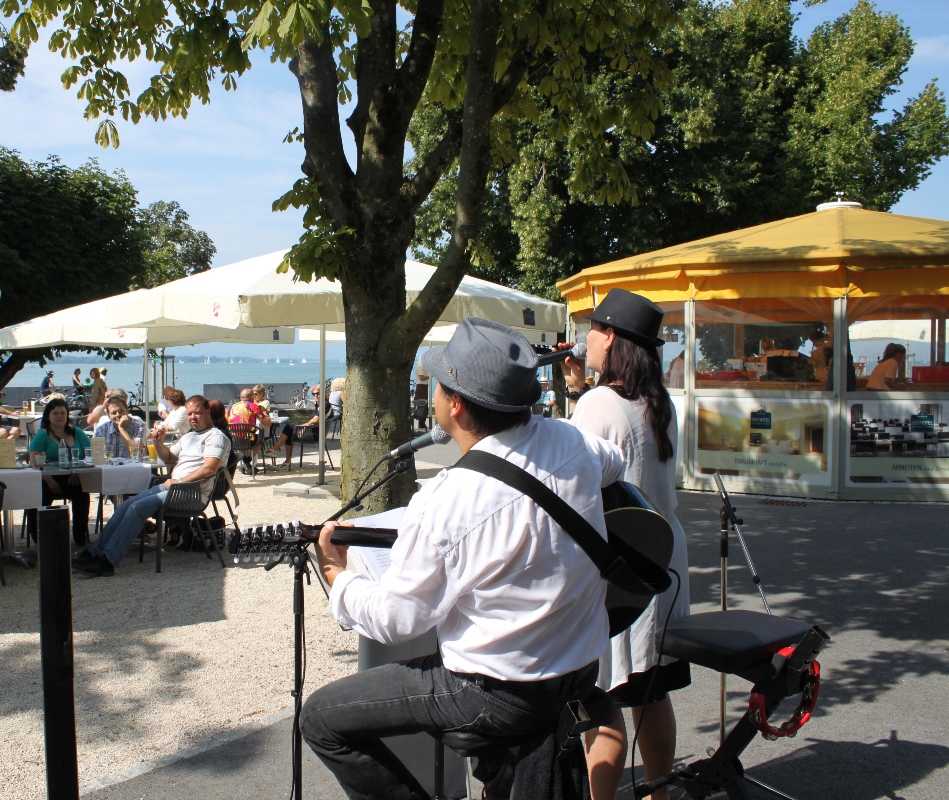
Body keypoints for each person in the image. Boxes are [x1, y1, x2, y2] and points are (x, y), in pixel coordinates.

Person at [301, 318, 626, 800]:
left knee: (320, 718)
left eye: (436, 382)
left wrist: (338, 576)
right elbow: (615, 463)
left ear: (453, 404)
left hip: (500, 693)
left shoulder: (449, 498)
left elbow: (396, 621)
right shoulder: (571, 440)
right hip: (577, 669)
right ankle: (501, 776)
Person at [559, 289, 691, 800]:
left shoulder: (600, 402)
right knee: (651, 692)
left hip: (619, 558)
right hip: (663, 550)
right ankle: (660, 793)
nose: (586, 339)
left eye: (593, 329)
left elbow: (574, 474)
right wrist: (579, 392)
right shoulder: (660, 401)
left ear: (611, 336)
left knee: (604, 700)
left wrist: (580, 396)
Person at [72, 395, 231, 577]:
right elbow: (168, 457)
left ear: (208, 412)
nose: (192, 417)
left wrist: (180, 481)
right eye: (189, 414)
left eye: (197, 413)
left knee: (137, 509)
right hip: (172, 488)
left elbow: (210, 468)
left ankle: (108, 561)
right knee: (125, 505)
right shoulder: (190, 436)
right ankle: (95, 553)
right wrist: (158, 443)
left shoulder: (216, 437)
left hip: (191, 493)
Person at [26, 397, 92, 546]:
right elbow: (33, 461)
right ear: (48, 416)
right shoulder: (42, 435)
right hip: (47, 479)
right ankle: (41, 540)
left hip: (74, 477)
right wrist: (50, 481)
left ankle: (80, 538)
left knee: (83, 494)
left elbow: (90, 454)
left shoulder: (77, 432)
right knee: (36, 496)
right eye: (55, 413)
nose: (60, 416)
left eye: (63, 413)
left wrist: (79, 473)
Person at [264, 387, 321, 468]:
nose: (315, 395)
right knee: (290, 432)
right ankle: (287, 461)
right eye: (313, 394)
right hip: (312, 430)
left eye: (318, 393)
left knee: (289, 427)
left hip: (315, 433)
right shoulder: (318, 405)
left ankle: (275, 450)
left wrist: (304, 426)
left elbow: (316, 419)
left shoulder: (325, 405)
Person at [228, 388, 270, 472]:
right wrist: (264, 413)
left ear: (240, 398)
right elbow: (268, 423)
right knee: (260, 438)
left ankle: (246, 464)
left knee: (240, 437)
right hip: (249, 439)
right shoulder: (253, 406)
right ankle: (247, 463)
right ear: (252, 397)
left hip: (234, 440)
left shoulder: (231, 407)